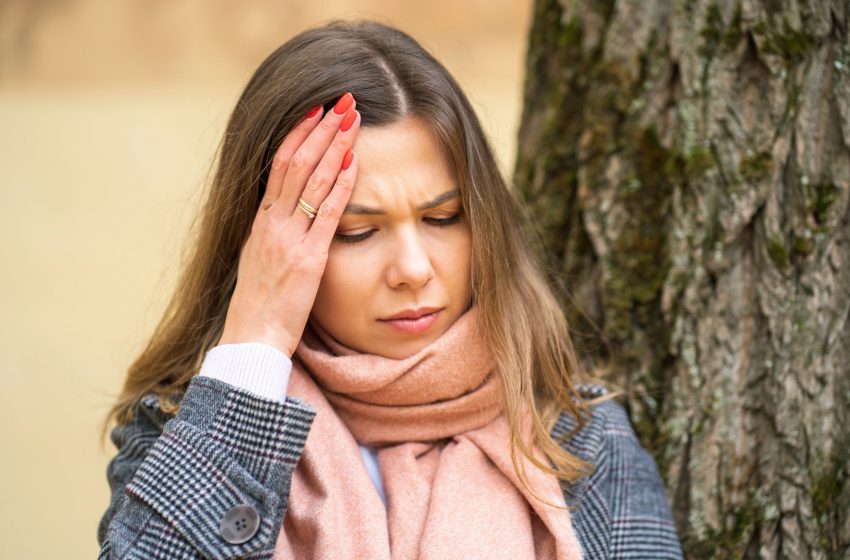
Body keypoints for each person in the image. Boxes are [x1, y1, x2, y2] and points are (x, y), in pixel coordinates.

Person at [96, 19, 684, 560]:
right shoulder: (182, 430)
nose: (412, 268)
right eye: (356, 232)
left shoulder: (576, 434)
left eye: (444, 218)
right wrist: (257, 337)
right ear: (267, 242)